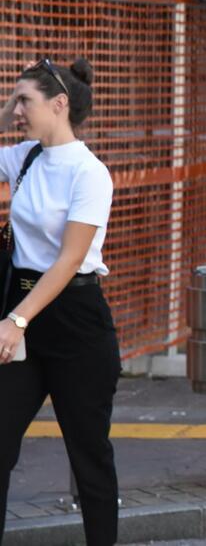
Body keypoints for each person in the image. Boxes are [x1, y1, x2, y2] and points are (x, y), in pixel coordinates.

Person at [0, 58, 118, 546]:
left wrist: (16, 320)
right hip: (22, 311)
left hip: (73, 320)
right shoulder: (23, 157)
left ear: (59, 104)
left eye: (25, 99)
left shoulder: (90, 173)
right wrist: (7, 111)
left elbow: (70, 260)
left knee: (88, 453)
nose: (18, 109)